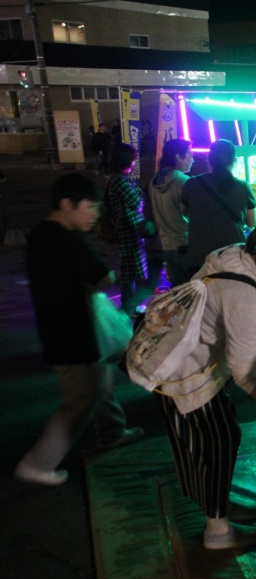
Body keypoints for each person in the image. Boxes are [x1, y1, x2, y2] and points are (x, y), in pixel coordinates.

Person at [155, 222, 256, 550]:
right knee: (214, 445)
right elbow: (245, 375)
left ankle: (219, 505)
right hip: (185, 376)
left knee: (226, 433)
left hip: (192, 362)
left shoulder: (234, 254)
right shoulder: (243, 298)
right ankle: (217, 530)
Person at [15, 174, 143, 487]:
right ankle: (37, 463)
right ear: (67, 204)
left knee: (101, 381)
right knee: (81, 399)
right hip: (72, 335)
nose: (95, 213)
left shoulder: (42, 234)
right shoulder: (65, 239)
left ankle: (112, 432)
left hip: (60, 330)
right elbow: (103, 278)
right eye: (89, 206)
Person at [182, 139, 256, 275]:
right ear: (234, 161)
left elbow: (184, 212)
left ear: (209, 160)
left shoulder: (192, 184)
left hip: (200, 256)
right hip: (233, 255)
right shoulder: (243, 186)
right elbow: (252, 222)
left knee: (203, 294)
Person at [105, 142, 149, 314]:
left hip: (129, 229)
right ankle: (130, 305)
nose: (134, 163)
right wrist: (139, 201)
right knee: (131, 270)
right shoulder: (119, 180)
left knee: (129, 270)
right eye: (132, 160)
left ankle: (129, 305)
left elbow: (139, 197)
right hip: (128, 229)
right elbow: (137, 200)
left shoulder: (120, 179)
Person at [149, 138, 193, 286]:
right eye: (189, 155)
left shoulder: (154, 181)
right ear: (177, 157)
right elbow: (191, 213)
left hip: (167, 245)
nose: (192, 159)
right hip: (185, 245)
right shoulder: (184, 181)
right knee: (192, 292)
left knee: (178, 291)